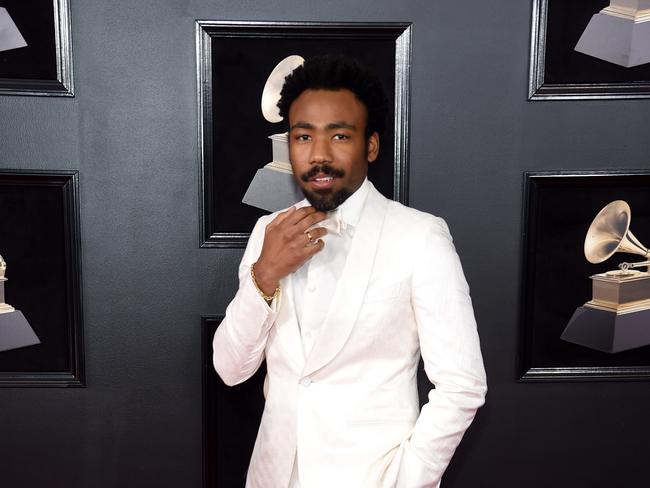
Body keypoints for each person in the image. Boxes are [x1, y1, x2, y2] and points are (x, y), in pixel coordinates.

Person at [213, 54, 487, 488]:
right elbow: (230, 369)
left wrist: (405, 480)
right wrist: (263, 278)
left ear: (370, 145)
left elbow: (463, 385)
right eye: (303, 137)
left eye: (339, 135)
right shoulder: (268, 231)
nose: (319, 155)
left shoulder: (421, 237)